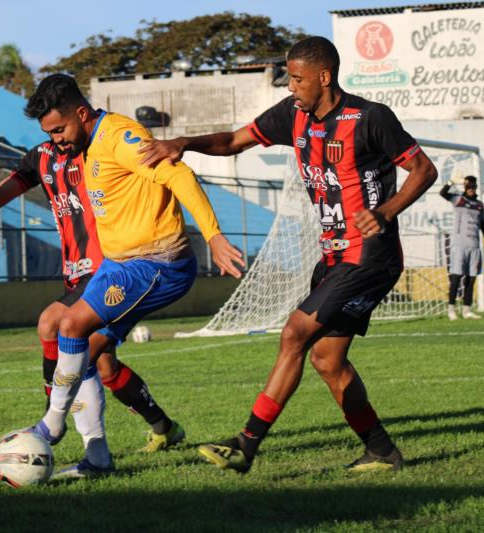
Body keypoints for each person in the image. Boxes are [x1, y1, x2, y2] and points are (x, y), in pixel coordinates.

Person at [139, 36, 438, 473]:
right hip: (334, 256)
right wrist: (185, 141)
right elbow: (234, 141)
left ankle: (246, 445)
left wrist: (386, 211)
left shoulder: (370, 117)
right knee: (327, 360)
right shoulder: (291, 116)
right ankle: (382, 451)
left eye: (297, 78)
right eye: (287, 77)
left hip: (371, 257)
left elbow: (424, 169)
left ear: (324, 76)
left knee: (294, 333)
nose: (290, 86)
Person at [23, 74, 245, 470]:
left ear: (81, 112)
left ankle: (51, 425)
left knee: (71, 327)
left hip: (157, 263)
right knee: (85, 351)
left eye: (60, 129)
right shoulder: (88, 145)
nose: (56, 139)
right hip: (119, 265)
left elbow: (179, 175)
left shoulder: (121, 137)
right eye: (49, 133)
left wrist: (212, 236)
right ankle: (98, 457)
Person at [0, 139, 186, 478]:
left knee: (52, 323)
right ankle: (163, 427)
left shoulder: (100, 150)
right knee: (104, 367)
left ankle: (53, 421)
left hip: (110, 270)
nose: (59, 135)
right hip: (76, 275)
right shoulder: (41, 158)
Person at [439, 176, 484, 320]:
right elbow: (443, 193)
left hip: (474, 246)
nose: (471, 190)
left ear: (475, 188)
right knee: (456, 277)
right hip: (459, 245)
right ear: (465, 188)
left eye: (473, 187)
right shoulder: (458, 200)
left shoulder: (479, 205)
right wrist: (450, 182)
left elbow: (482, 225)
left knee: (471, 279)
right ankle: (451, 309)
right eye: (468, 187)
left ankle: (466, 310)